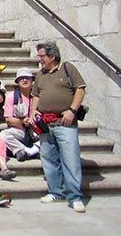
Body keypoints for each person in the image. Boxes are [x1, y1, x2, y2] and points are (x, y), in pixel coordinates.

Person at [29, 42, 87, 213]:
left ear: (52, 57)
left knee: (70, 159)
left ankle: (74, 196)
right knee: (49, 159)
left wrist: (72, 110)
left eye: (42, 56)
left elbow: (80, 90)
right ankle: (55, 191)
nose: (39, 59)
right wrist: (33, 112)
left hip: (64, 122)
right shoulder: (41, 74)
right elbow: (35, 95)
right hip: (46, 124)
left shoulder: (68, 69)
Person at [0, 68, 40, 162]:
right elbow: (8, 120)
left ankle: (26, 152)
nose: (24, 80)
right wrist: (22, 122)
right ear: (17, 81)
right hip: (20, 130)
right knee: (3, 135)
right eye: (21, 78)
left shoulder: (38, 97)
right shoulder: (11, 97)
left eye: (27, 78)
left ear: (32, 81)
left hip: (36, 129)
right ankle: (27, 151)